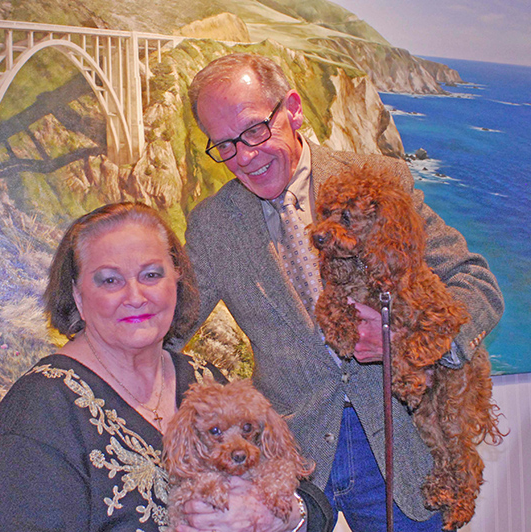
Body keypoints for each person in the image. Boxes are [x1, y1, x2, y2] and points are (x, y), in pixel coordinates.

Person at [180, 53, 504, 531]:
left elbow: (476, 282)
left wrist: (418, 348)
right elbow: (170, 325)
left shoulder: (383, 181)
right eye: (224, 146)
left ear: (292, 109)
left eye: (253, 131)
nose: (244, 156)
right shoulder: (211, 226)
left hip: (402, 451)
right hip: (292, 462)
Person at [0, 202, 330, 532]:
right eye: (110, 280)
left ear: (176, 281)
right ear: (76, 295)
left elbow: (312, 501)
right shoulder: (42, 405)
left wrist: (279, 517)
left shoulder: (204, 377)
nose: (135, 296)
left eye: (151, 274)